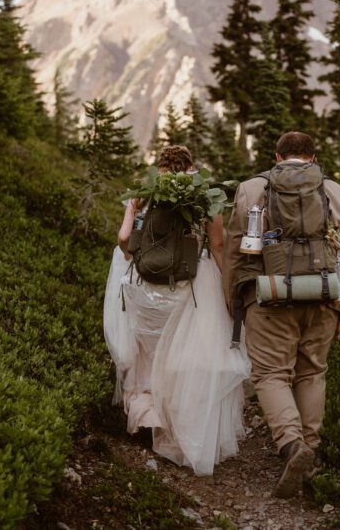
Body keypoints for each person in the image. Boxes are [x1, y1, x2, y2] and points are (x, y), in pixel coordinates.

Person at [224, 131, 340, 498]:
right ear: (313, 158)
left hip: (268, 296)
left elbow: (235, 251)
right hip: (323, 296)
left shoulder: (251, 188)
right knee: (312, 371)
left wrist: (235, 303)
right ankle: (310, 453)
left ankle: (291, 445)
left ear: (277, 156)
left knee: (271, 373)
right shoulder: (338, 192)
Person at [102, 145, 250, 476]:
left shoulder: (144, 191)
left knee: (149, 354)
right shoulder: (203, 195)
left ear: (161, 167)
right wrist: (228, 285)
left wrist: (136, 255)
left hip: (144, 288)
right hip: (184, 286)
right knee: (183, 358)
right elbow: (217, 244)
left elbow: (124, 236)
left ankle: (148, 418)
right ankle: (176, 429)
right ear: (191, 167)